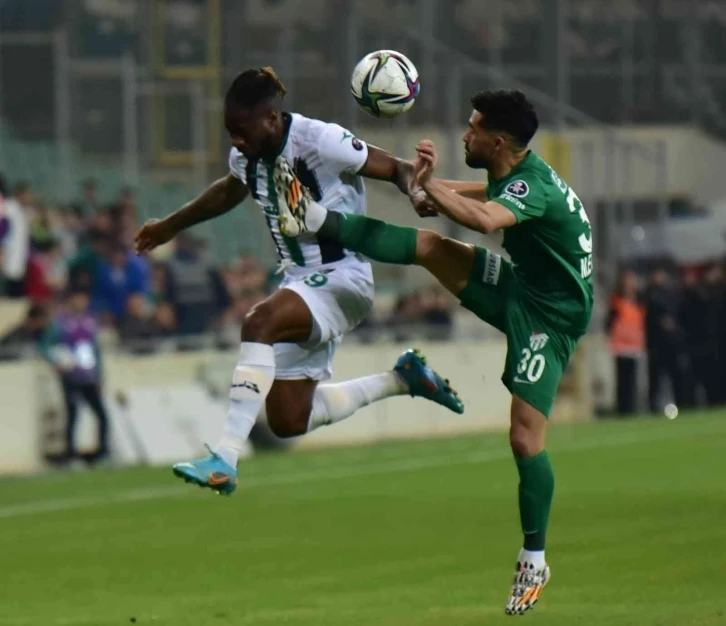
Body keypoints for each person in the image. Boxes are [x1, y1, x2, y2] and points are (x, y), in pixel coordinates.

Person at [273, 89, 594, 616]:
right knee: (428, 246)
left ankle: (534, 558)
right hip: (523, 288)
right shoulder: (517, 172)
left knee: (523, 437)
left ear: (497, 141)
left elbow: (486, 219)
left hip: (552, 319)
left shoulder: (532, 187)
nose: (464, 135)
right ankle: (314, 219)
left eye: (473, 129)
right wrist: (426, 189)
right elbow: (484, 194)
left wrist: (434, 188)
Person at [133, 67, 463, 490]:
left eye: (242, 131)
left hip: (344, 275)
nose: (236, 141)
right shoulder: (247, 156)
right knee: (289, 419)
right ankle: (403, 379)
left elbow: (397, 168)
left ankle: (225, 458)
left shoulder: (321, 139)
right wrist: (170, 226)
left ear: (271, 118)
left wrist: (416, 191)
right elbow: (229, 190)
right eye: (230, 131)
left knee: (258, 322)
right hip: (300, 283)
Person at [41, 284, 110, 464]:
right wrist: (56, 361)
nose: (81, 302)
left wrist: (99, 374)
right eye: (78, 298)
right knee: (72, 414)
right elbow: (46, 345)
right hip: (70, 375)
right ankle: (70, 453)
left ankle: (102, 451)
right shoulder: (60, 322)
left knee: (101, 414)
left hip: (88, 376)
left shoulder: (90, 320)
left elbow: (96, 350)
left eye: (84, 299)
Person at [607, 269, 645, 415]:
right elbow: (610, 322)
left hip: (634, 345)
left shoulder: (639, 301)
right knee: (622, 380)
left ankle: (632, 408)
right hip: (621, 345)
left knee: (633, 380)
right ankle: (623, 409)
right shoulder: (617, 300)